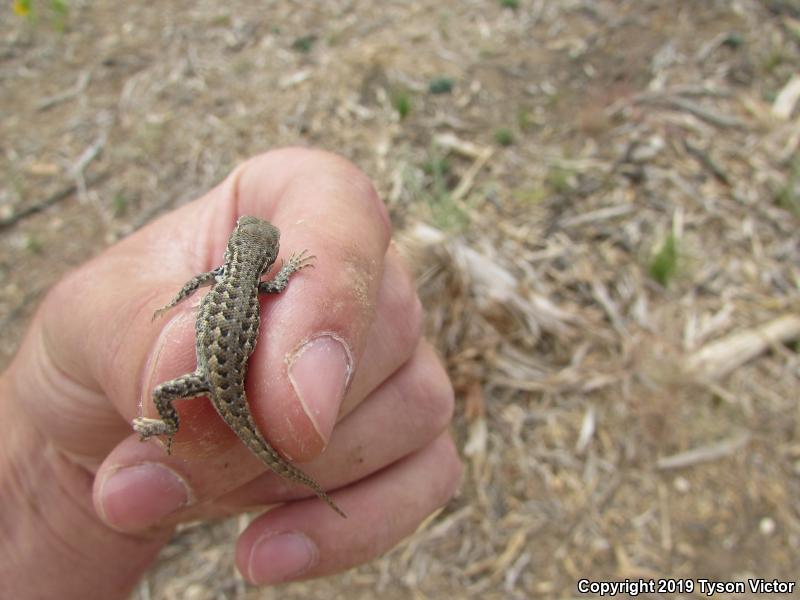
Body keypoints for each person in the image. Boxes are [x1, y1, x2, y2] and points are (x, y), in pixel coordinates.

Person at [0, 148, 461, 598]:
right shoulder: (262, 283)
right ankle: (183, 431)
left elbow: (193, 285)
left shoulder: (219, 277)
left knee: (177, 397)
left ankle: (168, 424)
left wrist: (170, 303)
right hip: (225, 381)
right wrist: (295, 270)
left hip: (214, 379)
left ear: (238, 249)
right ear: (262, 257)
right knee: (262, 424)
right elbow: (280, 286)